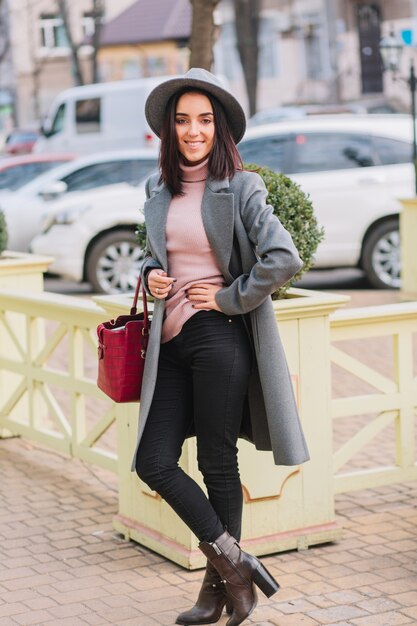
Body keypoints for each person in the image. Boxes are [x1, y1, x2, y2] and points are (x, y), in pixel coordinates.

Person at [131, 68, 310, 626]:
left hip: (218, 336)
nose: (193, 130)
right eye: (182, 120)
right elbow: (159, 253)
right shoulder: (156, 188)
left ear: (221, 128)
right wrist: (151, 275)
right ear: (168, 127)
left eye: (204, 120)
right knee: (152, 461)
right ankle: (237, 567)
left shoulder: (242, 187)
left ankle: (220, 592)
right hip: (171, 340)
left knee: (216, 462)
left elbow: (283, 257)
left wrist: (231, 296)